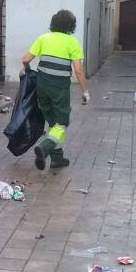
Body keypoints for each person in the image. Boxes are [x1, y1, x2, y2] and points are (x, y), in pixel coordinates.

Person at [21, 10, 89, 170]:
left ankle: (57, 159)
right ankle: (44, 149)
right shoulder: (73, 42)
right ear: (71, 26)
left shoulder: (43, 38)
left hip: (42, 85)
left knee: (53, 122)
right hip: (59, 87)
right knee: (62, 122)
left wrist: (27, 69)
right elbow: (78, 70)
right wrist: (85, 91)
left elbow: (25, 59)